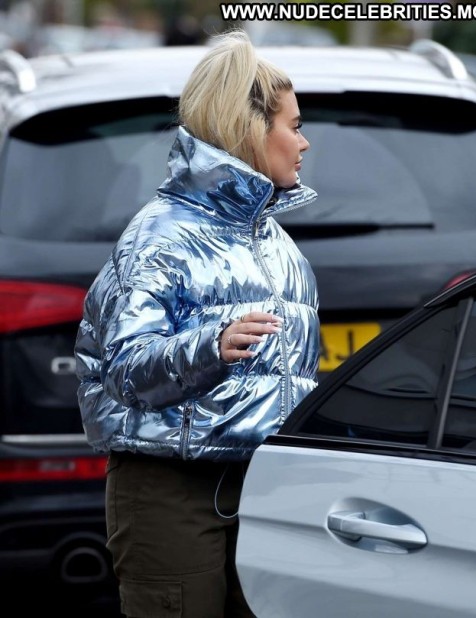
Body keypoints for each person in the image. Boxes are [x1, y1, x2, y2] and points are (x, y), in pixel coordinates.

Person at [74, 28, 320, 618]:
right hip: (170, 489)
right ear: (250, 129)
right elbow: (124, 370)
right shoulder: (161, 236)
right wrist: (210, 346)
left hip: (264, 487)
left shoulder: (277, 244)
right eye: (294, 126)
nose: (304, 142)